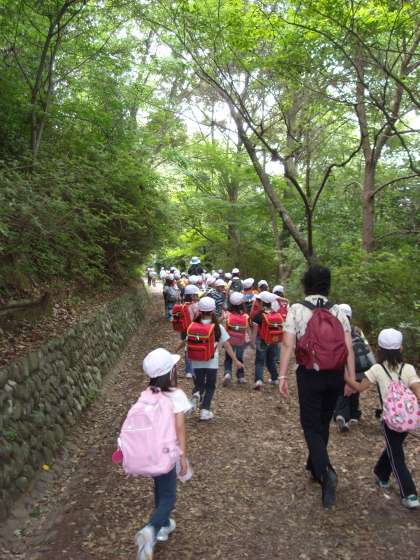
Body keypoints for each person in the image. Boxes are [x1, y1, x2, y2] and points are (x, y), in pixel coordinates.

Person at [278, 265, 356, 508]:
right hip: (335, 374)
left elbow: (288, 345)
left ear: (306, 284)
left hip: (310, 374)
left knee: (310, 425)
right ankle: (314, 467)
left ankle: (326, 472)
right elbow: (348, 347)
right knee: (322, 422)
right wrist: (350, 378)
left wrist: (282, 376)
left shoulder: (297, 309)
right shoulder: (337, 310)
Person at [349, 329, 420, 509]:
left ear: (380, 350)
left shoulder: (377, 369)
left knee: (395, 454)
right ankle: (388, 479)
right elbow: (417, 391)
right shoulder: (408, 368)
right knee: (394, 448)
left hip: (389, 420)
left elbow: (359, 387)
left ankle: (406, 492)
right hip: (407, 420)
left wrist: (345, 378)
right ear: (401, 348)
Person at [134, 348, 190, 560]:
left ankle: (164, 525)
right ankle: (151, 529)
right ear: (171, 372)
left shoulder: (147, 394)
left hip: (150, 452)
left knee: (160, 487)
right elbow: (179, 428)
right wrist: (182, 456)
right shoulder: (176, 395)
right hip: (167, 453)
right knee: (169, 496)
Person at [189, 297, 243, 420]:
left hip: (196, 361)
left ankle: (196, 393)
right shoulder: (217, 327)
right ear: (213, 311)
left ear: (200, 311)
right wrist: (235, 360)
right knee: (210, 386)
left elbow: (186, 341)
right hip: (212, 362)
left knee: (199, 384)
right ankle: (204, 411)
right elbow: (227, 345)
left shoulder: (193, 326)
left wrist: (175, 351)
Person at [334, 304, 374, 432]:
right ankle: (354, 415)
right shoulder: (357, 330)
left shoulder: (335, 329)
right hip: (360, 368)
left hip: (344, 366)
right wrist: (373, 365)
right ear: (350, 316)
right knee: (355, 390)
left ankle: (342, 415)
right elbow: (367, 347)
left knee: (343, 390)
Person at [251, 291, 280, 390]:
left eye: (258, 301)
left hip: (262, 340)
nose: (257, 303)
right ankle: (275, 378)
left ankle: (259, 380)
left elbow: (255, 330)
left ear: (262, 302)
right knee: (271, 360)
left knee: (259, 361)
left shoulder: (258, 315)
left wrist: (252, 342)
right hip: (273, 340)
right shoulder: (275, 313)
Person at [223, 292, 249, 385]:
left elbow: (223, 325)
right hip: (241, 340)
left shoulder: (227, 314)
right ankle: (240, 376)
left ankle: (227, 373)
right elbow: (247, 328)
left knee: (228, 357)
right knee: (239, 357)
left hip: (229, 339)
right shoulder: (245, 316)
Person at [174, 284, 200, 379]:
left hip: (184, 329)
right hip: (193, 329)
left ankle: (188, 371)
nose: (197, 296)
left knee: (186, 348)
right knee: (194, 348)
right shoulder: (195, 306)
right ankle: (193, 369)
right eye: (196, 295)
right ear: (192, 296)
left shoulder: (182, 306)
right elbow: (197, 319)